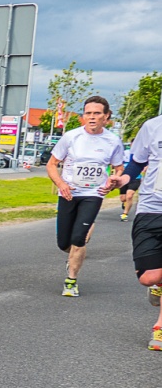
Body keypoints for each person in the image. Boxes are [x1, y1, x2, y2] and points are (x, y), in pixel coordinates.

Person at [45, 96, 123, 297]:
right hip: (69, 193)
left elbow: (118, 167)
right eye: (88, 113)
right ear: (83, 117)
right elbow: (52, 164)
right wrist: (61, 184)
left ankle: (71, 281)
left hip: (93, 194)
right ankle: (73, 255)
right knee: (64, 243)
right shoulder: (71, 137)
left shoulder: (113, 141)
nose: (92, 117)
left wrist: (112, 181)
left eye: (97, 113)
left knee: (79, 239)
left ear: (106, 117)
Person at [112, 115, 162, 348]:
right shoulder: (152, 127)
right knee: (148, 277)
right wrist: (123, 178)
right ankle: (158, 285)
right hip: (151, 208)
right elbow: (137, 162)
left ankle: (159, 328)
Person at [120, 145, 140, 223]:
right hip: (124, 178)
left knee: (129, 196)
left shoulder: (139, 154)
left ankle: (125, 214)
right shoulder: (125, 153)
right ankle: (125, 203)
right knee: (123, 198)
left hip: (136, 178)